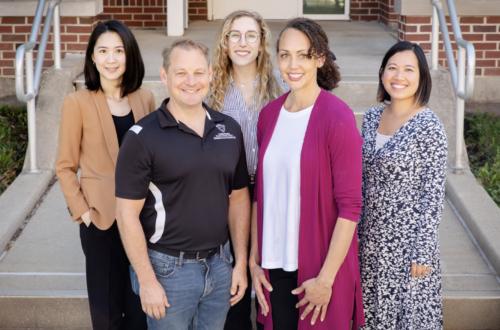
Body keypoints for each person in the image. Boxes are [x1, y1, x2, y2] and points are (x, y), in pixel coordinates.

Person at [114, 39, 251, 330]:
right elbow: (126, 215)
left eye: (199, 72)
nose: (191, 81)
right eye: (181, 73)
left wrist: (239, 263)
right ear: (165, 76)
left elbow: (238, 197)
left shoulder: (229, 129)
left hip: (220, 264)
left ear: (211, 74)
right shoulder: (141, 138)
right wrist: (147, 279)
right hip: (168, 271)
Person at [249, 18, 365, 330]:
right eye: (285, 55)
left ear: (320, 58)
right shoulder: (269, 115)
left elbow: (350, 208)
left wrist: (326, 280)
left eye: (303, 55)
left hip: (316, 271)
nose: (292, 64)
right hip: (272, 270)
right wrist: (253, 261)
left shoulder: (337, 117)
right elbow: (260, 194)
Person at [56, 20, 155, 329]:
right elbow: (64, 165)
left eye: (118, 51)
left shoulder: (145, 98)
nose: (111, 59)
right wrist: (82, 211)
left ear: (130, 56)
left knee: (139, 305)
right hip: (101, 219)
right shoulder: (77, 103)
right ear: (93, 57)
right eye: (103, 51)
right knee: (107, 310)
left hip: (140, 218)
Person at [358, 41, 447, 329]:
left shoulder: (429, 126)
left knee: (405, 319)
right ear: (382, 73)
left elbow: (433, 194)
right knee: (372, 315)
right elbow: (361, 177)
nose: (399, 76)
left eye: (409, 69)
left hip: (407, 244)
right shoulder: (371, 117)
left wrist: (422, 250)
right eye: (392, 68)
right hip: (370, 239)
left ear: (421, 77)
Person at [208, 10, 283, 330]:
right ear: (224, 44)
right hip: (226, 192)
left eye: (250, 35)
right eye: (234, 35)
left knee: (267, 275)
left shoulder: (278, 89)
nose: (242, 42)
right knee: (233, 277)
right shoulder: (211, 90)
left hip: (268, 191)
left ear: (261, 42)